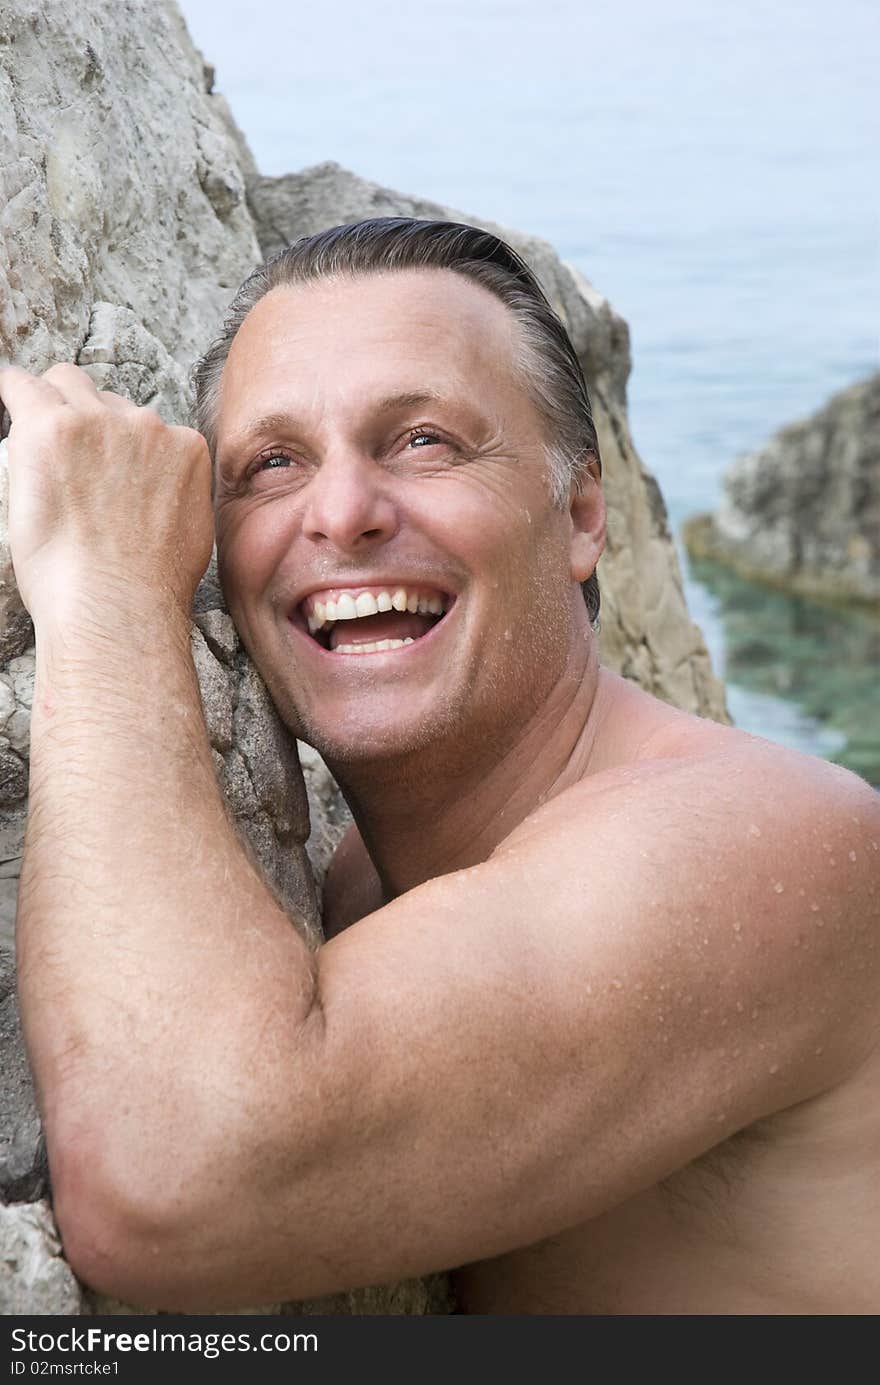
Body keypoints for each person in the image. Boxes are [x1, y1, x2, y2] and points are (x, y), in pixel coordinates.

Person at [1, 218, 877, 1316]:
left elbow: (174, 1183)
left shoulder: (769, 839)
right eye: (272, 464)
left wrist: (104, 584)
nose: (342, 513)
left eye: (422, 441)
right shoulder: (359, 886)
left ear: (580, 515)